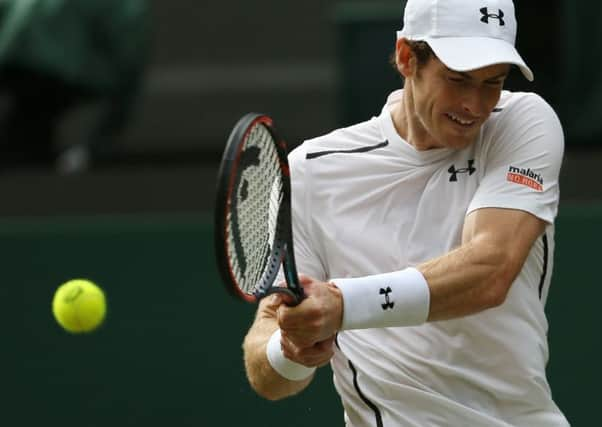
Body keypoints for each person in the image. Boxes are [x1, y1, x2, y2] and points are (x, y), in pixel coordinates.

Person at [243, 0, 569, 425]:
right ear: (406, 57)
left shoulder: (523, 122)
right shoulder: (309, 173)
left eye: (493, 81)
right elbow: (269, 373)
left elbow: (491, 270)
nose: (475, 105)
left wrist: (342, 305)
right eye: (458, 79)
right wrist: (291, 349)